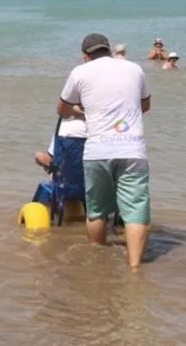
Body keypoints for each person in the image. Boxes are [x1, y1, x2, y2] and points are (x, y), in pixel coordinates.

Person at [56, 33, 151, 269]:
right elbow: (145, 105)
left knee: (97, 211)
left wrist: (81, 109)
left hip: (97, 150)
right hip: (132, 149)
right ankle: (135, 267)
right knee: (135, 209)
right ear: (108, 50)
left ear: (85, 56)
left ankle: (97, 262)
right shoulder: (134, 68)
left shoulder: (79, 72)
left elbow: (62, 109)